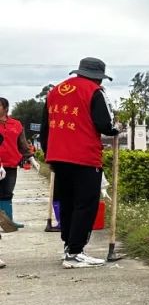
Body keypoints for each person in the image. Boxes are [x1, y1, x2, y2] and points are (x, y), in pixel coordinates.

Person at [39, 59, 119, 268]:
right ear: (98, 76)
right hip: (84, 157)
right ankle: (75, 252)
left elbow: (45, 128)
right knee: (85, 204)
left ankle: (69, 247)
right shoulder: (94, 91)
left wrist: (49, 154)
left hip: (58, 156)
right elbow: (106, 125)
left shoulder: (55, 91)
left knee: (67, 202)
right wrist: (115, 129)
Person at [0, 97, 34, 229]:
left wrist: (30, 157)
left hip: (11, 164)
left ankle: (8, 222)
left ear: (6, 108)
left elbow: (22, 144)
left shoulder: (16, 124)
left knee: (7, 192)